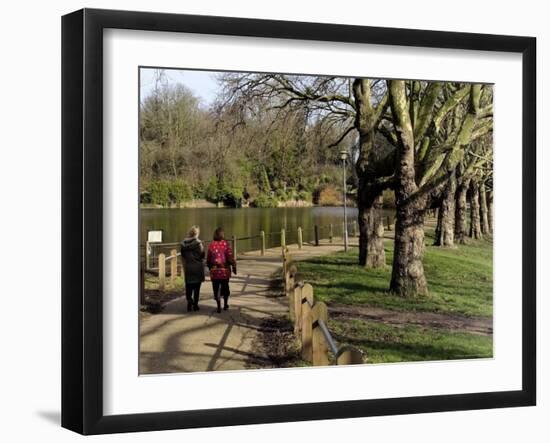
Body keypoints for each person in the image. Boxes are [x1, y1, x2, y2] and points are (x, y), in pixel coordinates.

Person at [207, 227, 237, 313]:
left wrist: (210, 267)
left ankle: (218, 305)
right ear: (222, 235)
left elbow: (208, 259)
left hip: (215, 271)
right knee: (225, 287)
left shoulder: (211, 245)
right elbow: (230, 257)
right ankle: (225, 304)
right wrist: (233, 265)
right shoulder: (226, 244)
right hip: (224, 271)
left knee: (216, 288)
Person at [180, 226, 205, 312]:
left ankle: (189, 302)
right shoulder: (199, 244)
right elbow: (202, 255)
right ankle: (195, 305)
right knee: (197, 288)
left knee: (189, 286)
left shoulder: (183, 244)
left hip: (188, 267)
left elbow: (183, 256)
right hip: (197, 267)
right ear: (196, 234)